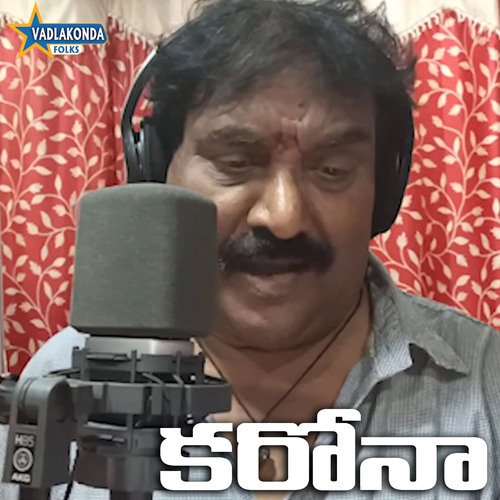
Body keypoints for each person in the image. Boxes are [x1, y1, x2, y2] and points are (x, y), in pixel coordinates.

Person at [1, 0, 499, 498]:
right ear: (156, 169)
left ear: (384, 192)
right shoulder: (58, 382)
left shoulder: (487, 381)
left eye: (332, 170)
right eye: (236, 162)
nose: (283, 217)